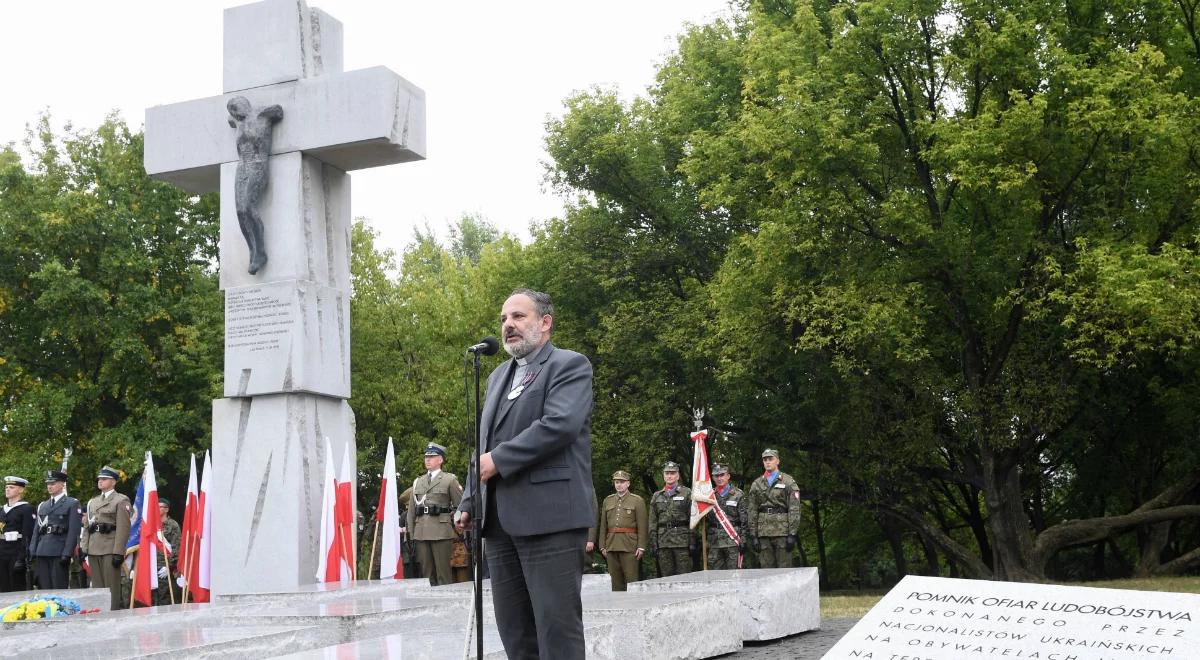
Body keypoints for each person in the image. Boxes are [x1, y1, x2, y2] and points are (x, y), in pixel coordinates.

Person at [456, 288, 594, 660]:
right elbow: (484, 441)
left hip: (551, 519)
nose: (508, 326)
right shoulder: (497, 376)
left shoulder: (569, 365)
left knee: (556, 630)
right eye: (503, 319)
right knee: (515, 633)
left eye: (518, 317)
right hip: (499, 524)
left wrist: (497, 460)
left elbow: (559, 425)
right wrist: (471, 498)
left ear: (545, 323)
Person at [226, 95, 284, 275]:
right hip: (242, 167)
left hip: (258, 165)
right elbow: (231, 121)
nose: (235, 113)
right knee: (240, 211)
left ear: (245, 104)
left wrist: (265, 111)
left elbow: (279, 110)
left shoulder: (263, 115)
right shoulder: (237, 122)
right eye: (232, 111)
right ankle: (252, 250)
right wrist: (234, 119)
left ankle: (260, 252)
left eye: (236, 108)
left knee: (249, 207)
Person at [407, 442, 462, 586]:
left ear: (441, 460)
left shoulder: (449, 480)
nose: (428, 459)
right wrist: (412, 535)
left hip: (441, 532)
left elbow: (460, 507)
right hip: (421, 532)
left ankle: (446, 606)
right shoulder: (418, 482)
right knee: (426, 576)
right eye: (426, 456)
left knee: (443, 575)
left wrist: (454, 525)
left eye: (432, 456)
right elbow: (411, 511)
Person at [81, 466, 132, 609]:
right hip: (94, 547)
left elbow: (123, 528)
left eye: (104, 479)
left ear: (113, 482)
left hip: (110, 547)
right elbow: (87, 526)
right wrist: (84, 547)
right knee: (97, 586)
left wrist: (118, 552)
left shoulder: (121, 500)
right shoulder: (93, 502)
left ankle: (112, 612)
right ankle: (99, 612)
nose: (100, 481)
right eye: (99, 479)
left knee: (111, 587)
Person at [746, 449, 802, 568]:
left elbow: (794, 509)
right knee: (766, 570)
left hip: (782, 531)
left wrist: (792, 533)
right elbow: (752, 510)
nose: (767, 462)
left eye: (770, 459)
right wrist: (753, 535)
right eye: (765, 460)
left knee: (784, 569)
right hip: (763, 532)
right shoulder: (757, 484)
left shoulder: (788, 481)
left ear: (778, 461)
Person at [29, 470, 81, 590]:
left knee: (58, 586)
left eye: (53, 483)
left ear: (62, 484)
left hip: (59, 551)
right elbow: (37, 530)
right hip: (42, 550)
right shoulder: (43, 505)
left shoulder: (71, 503)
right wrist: (32, 550)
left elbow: (73, 531)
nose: (49, 486)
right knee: (44, 587)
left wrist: (67, 553)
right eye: (48, 484)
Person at [598, 470, 646, 591]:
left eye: (622, 482)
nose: (619, 485)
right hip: (611, 545)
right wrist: (602, 546)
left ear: (628, 484)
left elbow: (642, 525)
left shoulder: (637, 500)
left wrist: (641, 546)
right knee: (615, 582)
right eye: (616, 482)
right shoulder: (607, 500)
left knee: (631, 581)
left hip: (630, 545)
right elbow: (603, 525)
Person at [649, 461, 694, 576]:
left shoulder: (686, 493)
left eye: (672, 473)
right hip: (663, 542)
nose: (669, 476)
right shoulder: (657, 495)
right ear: (663, 475)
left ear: (678, 475)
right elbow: (653, 522)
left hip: (682, 542)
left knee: (684, 577)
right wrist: (654, 543)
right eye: (667, 473)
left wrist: (692, 541)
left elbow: (692, 518)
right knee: (666, 577)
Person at [704, 464, 747, 570]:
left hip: (732, 540)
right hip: (714, 541)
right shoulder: (708, 496)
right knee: (715, 575)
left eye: (722, 475)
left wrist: (744, 540)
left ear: (728, 476)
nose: (719, 478)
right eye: (716, 476)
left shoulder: (738, 494)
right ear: (713, 478)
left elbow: (745, 520)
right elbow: (703, 519)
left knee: (734, 574)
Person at [1, 476, 35, 592]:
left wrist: (22, 558)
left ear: (20, 490)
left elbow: (27, 535)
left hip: (16, 552)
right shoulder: (2, 510)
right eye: (6, 487)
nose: (8, 489)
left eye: (11, 487)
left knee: (17, 587)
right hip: (2, 552)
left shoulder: (26, 509)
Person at [154, 497, 181, 605]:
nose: (157, 509)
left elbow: (176, 547)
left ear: (166, 509)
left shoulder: (172, 525)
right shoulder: (151, 525)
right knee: (151, 597)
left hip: (164, 567)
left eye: (160, 507)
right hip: (151, 565)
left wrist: (169, 566)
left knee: (163, 597)